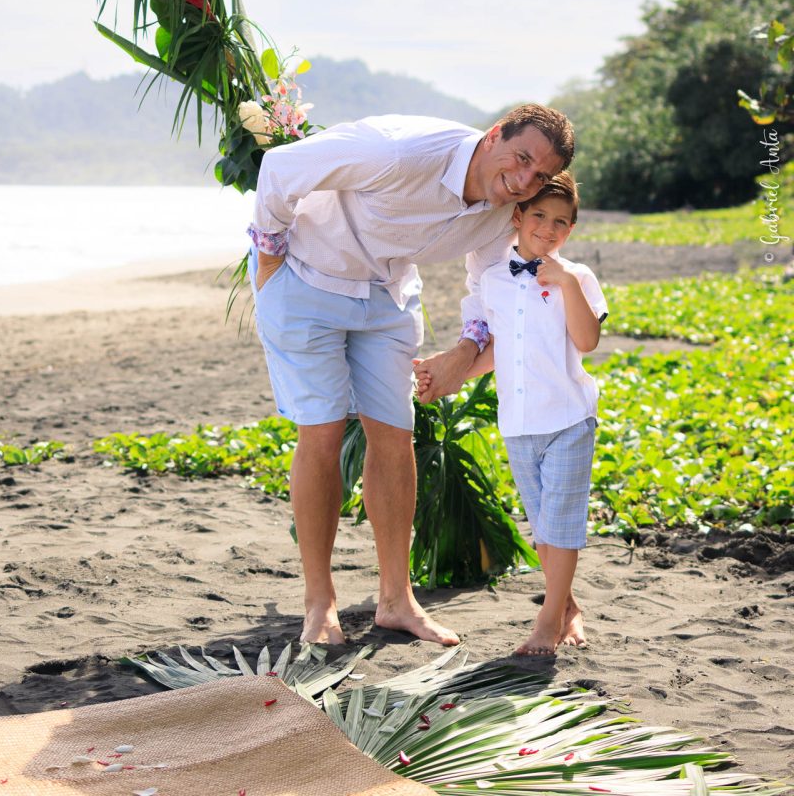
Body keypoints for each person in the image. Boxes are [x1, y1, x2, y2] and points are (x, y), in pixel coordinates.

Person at [249, 105, 574, 646]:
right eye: (520, 159)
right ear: (494, 136)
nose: (524, 181)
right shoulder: (398, 152)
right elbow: (281, 169)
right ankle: (319, 604)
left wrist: (465, 351)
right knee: (324, 432)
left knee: (394, 436)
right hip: (307, 280)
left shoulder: (506, 206)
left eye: (539, 175)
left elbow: (491, 279)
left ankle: (396, 601)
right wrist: (269, 256)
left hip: (387, 297)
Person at [414, 170, 607, 655]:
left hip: (567, 419)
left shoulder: (578, 277)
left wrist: (564, 283)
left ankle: (548, 621)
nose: (548, 227)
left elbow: (587, 341)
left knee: (560, 526)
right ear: (517, 217)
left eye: (561, 222)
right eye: (538, 215)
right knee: (544, 531)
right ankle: (568, 606)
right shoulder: (494, 280)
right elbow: (498, 349)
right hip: (519, 424)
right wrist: (446, 374)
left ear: (570, 230)